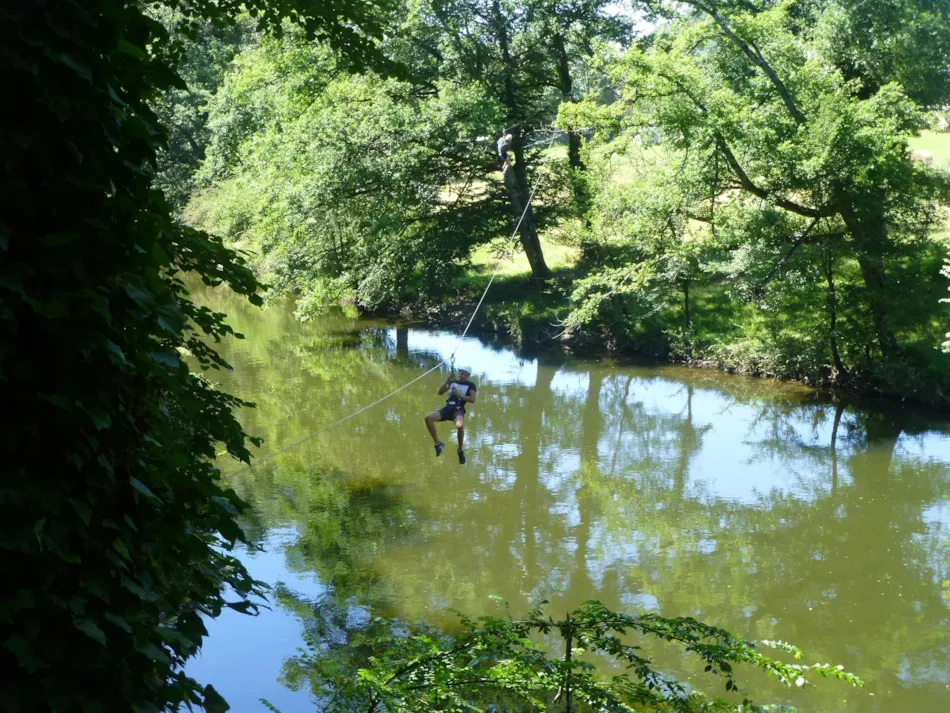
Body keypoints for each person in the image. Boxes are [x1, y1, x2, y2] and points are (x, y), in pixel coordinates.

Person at [424, 366, 477, 464]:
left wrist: (458, 394)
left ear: (468, 376)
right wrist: (447, 380)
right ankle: (438, 444)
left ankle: (460, 450)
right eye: (462, 373)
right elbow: (440, 392)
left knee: (459, 425)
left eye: (466, 374)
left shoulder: (470, 385)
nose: (463, 376)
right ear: (459, 373)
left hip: (458, 409)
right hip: (447, 408)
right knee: (428, 418)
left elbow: (472, 399)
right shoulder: (453, 382)